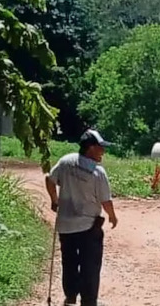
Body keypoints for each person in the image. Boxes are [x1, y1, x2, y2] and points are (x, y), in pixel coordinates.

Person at [45, 129, 118, 306]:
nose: (103, 151)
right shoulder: (98, 172)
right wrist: (112, 217)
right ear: (90, 148)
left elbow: (49, 179)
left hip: (65, 224)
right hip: (88, 227)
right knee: (90, 266)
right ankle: (89, 301)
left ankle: (70, 297)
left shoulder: (66, 161)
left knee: (69, 262)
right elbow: (106, 201)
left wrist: (55, 201)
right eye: (100, 148)